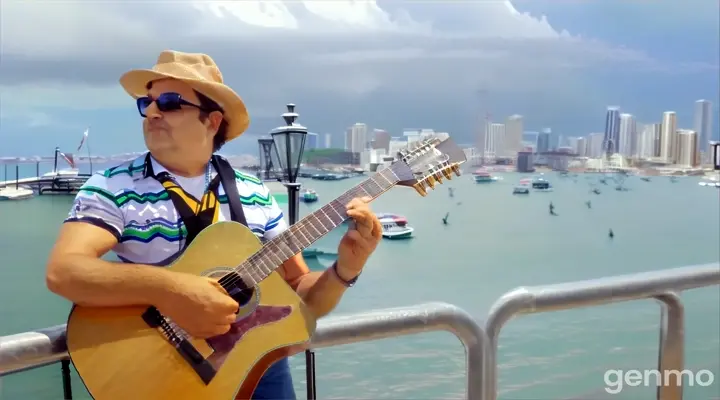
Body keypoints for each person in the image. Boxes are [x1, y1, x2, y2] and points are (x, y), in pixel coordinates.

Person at [45, 50, 383, 400]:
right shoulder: (113, 187)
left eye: (171, 102)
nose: (154, 112)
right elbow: (65, 271)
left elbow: (300, 295)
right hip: (164, 375)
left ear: (212, 121)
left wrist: (345, 269)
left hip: (261, 370)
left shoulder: (254, 192)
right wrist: (172, 289)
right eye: (147, 103)